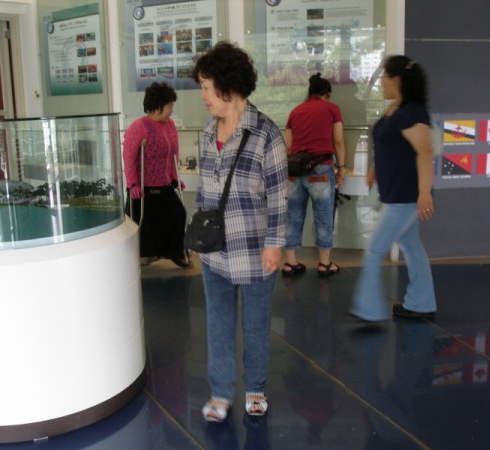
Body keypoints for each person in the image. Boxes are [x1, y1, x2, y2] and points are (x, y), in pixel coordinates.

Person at [191, 41, 288, 421]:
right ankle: (220, 392)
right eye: (201, 87)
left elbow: (279, 196)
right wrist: (197, 237)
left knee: (256, 324)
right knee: (218, 323)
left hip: (254, 250)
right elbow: (204, 193)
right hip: (215, 251)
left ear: (229, 86)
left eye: (207, 87)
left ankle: (255, 388)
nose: (203, 96)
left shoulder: (266, 134)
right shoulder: (206, 133)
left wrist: (274, 245)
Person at [349, 55, 436, 321]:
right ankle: (421, 303)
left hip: (406, 197)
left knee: (375, 249)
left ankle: (369, 309)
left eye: (385, 76)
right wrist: (375, 169)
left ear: (397, 79)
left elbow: (424, 151)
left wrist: (424, 192)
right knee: (412, 247)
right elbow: (389, 144)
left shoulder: (412, 113)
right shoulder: (395, 110)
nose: (381, 82)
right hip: (396, 194)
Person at [282, 73, 346, 277]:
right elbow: (338, 142)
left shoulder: (295, 112)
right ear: (327, 94)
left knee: (292, 215)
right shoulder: (332, 109)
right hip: (320, 169)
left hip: (294, 171)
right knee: (323, 216)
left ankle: (290, 263)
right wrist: (341, 168)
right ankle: (325, 264)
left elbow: (289, 146)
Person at [123, 81, 188, 268]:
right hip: (143, 187)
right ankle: (144, 256)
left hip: (164, 183)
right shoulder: (139, 127)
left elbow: (173, 153)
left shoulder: (170, 125)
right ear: (158, 106)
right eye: (169, 105)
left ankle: (174, 252)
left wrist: (174, 177)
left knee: (178, 213)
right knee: (145, 224)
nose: (171, 110)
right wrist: (132, 184)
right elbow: (129, 157)